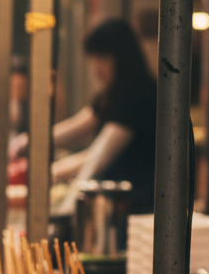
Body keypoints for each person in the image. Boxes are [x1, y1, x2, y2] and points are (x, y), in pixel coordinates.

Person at [11, 18, 157, 212]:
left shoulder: (138, 96)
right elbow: (78, 126)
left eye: (101, 58)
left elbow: (99, 155)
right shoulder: (113, 94)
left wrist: (59, 184)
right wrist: (28, 141)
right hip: (116, 201)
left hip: (136, 203)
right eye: (93, 58)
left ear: (121, 57)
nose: (95, 68)